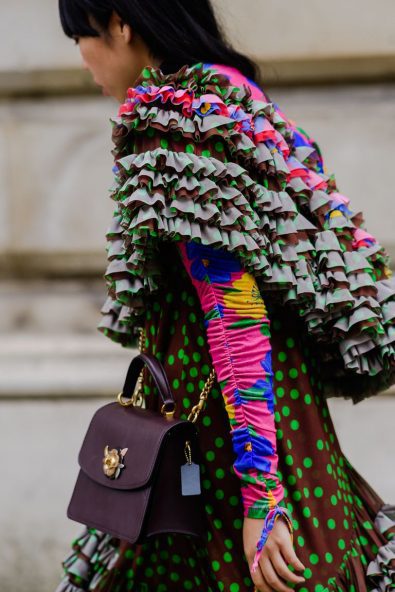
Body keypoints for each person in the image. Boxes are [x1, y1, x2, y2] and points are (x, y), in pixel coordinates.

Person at [55, 1, 395, 591]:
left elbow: (231, 307)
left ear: (119, 23)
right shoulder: (236, 97)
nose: (82, 58)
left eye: (80, 35)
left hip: (215, 428)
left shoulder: (171, 119)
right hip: (283, 406)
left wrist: (262, 495)